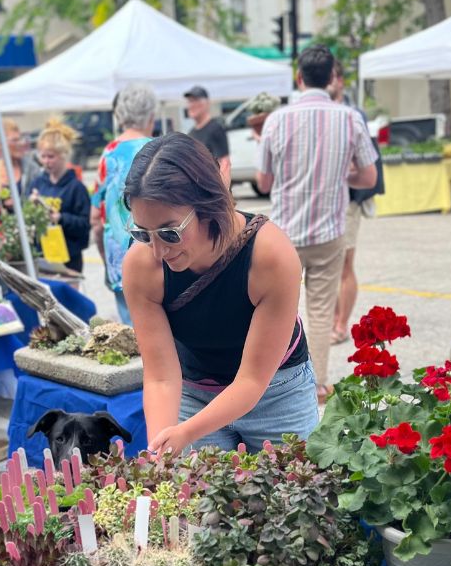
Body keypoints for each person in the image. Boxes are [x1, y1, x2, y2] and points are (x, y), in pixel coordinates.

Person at [122, 133, 317, 454]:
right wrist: (162, 448)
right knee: (194, 498)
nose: (157, 250)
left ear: (209, 206)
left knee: (288, 496)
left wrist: (185, 433)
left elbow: (252, 381)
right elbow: (160, 377)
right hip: (194, 390)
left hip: (276, 391)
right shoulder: (142, 264)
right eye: (142, 232)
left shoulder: (271, 256)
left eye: (170, 233)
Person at [257, 44, 378, 403]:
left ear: (299, 77)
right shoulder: (350, 118)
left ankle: (276, 382)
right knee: (322, 310)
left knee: (279, 308)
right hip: (329, 230)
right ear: (331, 78)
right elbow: (369, 177)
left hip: (284, 234)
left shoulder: (276, 120)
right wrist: (342, 175)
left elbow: (264, 183)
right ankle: (319, 383)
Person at [328, 59, 384, 344]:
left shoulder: (353, 115)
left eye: (334, 77)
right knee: (330, 265)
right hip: (327, 201)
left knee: (344, 264)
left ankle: (341, 324)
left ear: (340, 82)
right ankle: (332, 321)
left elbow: (367, 165)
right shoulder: (324, 115)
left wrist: (336, 170)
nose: (330, 83)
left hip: (349, 199)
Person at [91, 84, 157, 323]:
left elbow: (96, 218)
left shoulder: (108, 155)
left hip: (119, 256)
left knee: (132, 330)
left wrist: (103, 252)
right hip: (159, 252)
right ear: (151, 115)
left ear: (119, 115)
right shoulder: (159, 151)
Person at [29, 119, 91, 273]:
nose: (46, 162)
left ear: (64, 155)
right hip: (43, 253)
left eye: (51, 157)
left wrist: (61, 218)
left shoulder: (76, 188)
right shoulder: (38, 183)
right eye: (43, 157)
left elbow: (84, 225)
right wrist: (31, 206)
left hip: (69, 257)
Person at [0, 118, 41, 211]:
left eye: (20, 139)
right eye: (15, 140)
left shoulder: (32, 169)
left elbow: (41, 199)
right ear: (0, 144)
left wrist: (22, 203)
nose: (21, 143)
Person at [184, 85, 231, 187]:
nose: (191, 105)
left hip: (212, 193)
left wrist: (224, 195)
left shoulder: (215, 129)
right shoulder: (191, 133)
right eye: (190, 101)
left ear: (207, 103)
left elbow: (225, 164)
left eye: (196, 100)